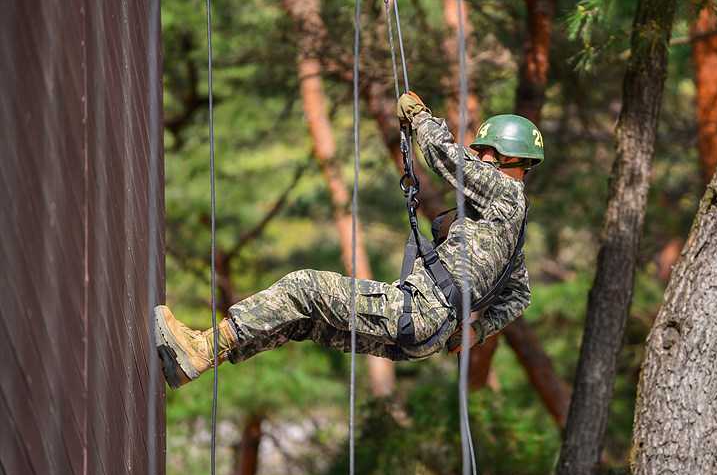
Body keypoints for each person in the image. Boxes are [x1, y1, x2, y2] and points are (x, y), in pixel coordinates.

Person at [154, 92, 544, 389]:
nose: (479, 159)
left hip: (419, 312)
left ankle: (202, 349)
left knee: (303, 288)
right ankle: (203, 356)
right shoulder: (508, 229)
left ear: (509, 158)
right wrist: (477, 331)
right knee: (300, 321)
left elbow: (446, 158)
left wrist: (422, 119)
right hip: (426, 333)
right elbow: (519, 295)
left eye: (486, 152)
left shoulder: (506, 195)